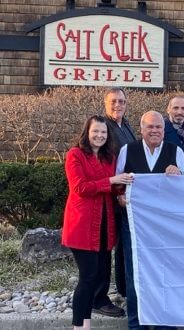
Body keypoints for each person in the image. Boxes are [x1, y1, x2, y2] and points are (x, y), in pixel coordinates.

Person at [116, 110, 184, 330]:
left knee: (166, 273)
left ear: (164, 130)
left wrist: (178, 174)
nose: (154, 130)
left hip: (165, 227)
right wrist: (119, 196)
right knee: (134, 274)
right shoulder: (127, 150)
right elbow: (118, 181)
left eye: (158, 127)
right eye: (150, 127)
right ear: (142, 129)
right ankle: (136, 323)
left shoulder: (174, 151)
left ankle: (165, 323)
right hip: (134, 226)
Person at [62, 115, 134, 330]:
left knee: (100, 275)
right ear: (87, 132)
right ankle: (79, 326)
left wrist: (122, 189)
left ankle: (86, 323)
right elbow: (80, 188)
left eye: (103, 132)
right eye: (96, 131)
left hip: (105, 225)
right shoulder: (75, 155)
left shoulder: (109, 157)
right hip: (82, 226)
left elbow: (113, 187)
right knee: (88, 277)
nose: (100, 136)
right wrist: (112, 181)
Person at [103, 87, 137, 301]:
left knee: (125, 245)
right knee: (108, 247)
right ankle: (102, 296)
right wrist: (116, 192)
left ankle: (125, 289)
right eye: (114, 101)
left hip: (127, 196)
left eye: (122, 101)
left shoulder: (126, 125)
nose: (118, 105)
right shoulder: (103, 127)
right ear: (105, 103)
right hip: (111, 194)